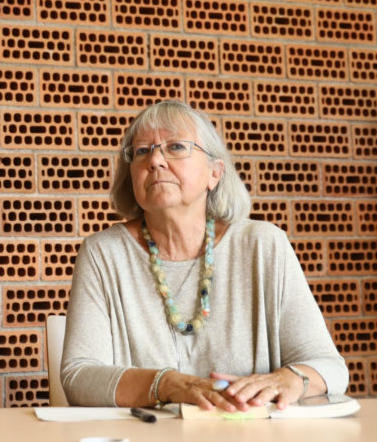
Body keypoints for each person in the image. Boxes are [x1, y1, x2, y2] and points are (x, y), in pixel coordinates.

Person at [62, 100, 348, 412]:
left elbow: (329, 367)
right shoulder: (103, 253)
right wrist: (168, 384)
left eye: (176, 147)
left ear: (214, 173)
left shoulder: (264, 246)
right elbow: (79, 377)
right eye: (142, 151)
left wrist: (290, 379)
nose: (155, 160)